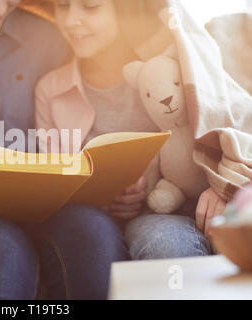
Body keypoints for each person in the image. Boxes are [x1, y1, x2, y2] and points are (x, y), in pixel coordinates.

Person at [0, 0, 129, 300]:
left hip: (49, 205)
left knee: (93, 232)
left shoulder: (52, 37)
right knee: (1, 249)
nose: (0, 9)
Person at [34, 0, 216, 261]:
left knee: (168, 246)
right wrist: (99, 196)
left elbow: (222, 131)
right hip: (87, 219)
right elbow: (51, 182)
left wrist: (220, 188)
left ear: (122, 9)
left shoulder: (167, 72)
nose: (72, 20)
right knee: (89, 239)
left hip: (163, 213)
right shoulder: (49, 90)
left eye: (91, 6)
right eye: (62, 6)